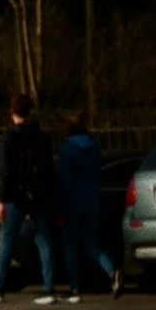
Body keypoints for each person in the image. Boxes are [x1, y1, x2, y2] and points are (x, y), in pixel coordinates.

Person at [0, 94, 57, 305]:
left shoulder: (8, 139)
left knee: (9, 239)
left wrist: (2, 201)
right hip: (38, 193)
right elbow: (49, 168)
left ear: (12, 114)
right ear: (30, 113)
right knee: (43, 240)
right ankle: (48, 288)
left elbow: (5, 172)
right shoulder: (42, 137)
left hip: (16, 195)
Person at [57, 114, 121, 300]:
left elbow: (65, 180)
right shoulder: (93, 146)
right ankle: (111, 270)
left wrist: (61, 206)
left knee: (71, 246)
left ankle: (74, 286)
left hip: (72, 202)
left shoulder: (67, 147)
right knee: (90, 244)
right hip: (92, 200)